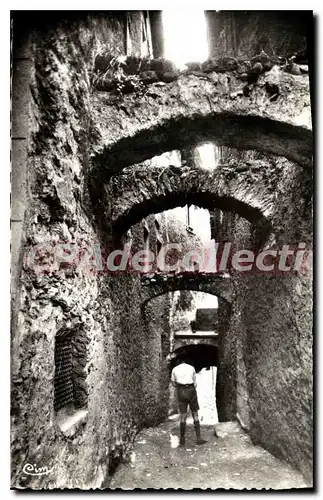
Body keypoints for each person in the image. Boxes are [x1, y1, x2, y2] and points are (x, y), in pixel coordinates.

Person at [171, 354, 207, 447]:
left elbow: (173, 383)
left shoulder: (175, 369)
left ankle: (182, 439)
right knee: (195, 413)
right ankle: (198, 438)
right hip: (191, 390)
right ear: (186, 361)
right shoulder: (191, 368)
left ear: (179, 361)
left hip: (181, 391)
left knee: (182, 415)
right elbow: (195, 383)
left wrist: (180, 387)